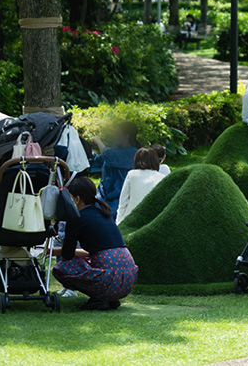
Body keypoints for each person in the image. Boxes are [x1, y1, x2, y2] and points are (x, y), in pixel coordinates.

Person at [52, 176, 138, 311]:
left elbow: (67, 255)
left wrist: (53, 251)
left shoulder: (76, 218)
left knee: (61, 268)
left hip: (110, 278)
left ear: (77, 198)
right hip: (128, 276)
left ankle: (99, 298)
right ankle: (108, 297)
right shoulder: (104, 213)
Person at [89, 121, 140, 218]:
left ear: (126, 136)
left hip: (119, 198)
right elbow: (97, 160)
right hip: (102, 195)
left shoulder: (133, 153)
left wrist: (98, 141)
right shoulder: (115, 150)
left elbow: (109, 156)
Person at [116, 148, 166, 224]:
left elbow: (123, 201)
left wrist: (118, 221)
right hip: (152, 220)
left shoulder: (131, 174)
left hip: (130, 218)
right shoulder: (162, 177)